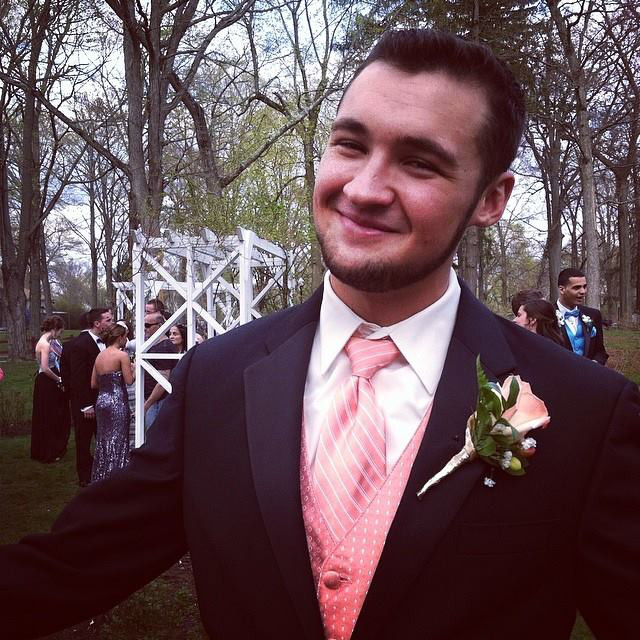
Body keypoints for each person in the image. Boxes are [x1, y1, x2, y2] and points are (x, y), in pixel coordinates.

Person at [1, 29, 639, 640]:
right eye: (351, 145)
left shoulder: (587, 412)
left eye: (420, 163)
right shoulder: (216, 378)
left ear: (490, 200)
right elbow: (71, 567)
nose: (364, 190)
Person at [59, 307, 114, 486]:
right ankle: (85, 477)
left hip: (103, 399)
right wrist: (86, 405)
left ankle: (103, 472)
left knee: (103, 438)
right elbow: (78, 378)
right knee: (84, 439)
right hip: (86, 403)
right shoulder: (79, 345)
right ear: (97, 324)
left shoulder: (107, 342)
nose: (112, 322)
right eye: (108, 320)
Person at [90, 324, 134, 482]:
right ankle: (117, 476)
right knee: (119, 439)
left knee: (103, 439)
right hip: (117, 401)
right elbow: (129, 381)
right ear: (120, 338)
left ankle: (101, 476)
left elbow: (93, 384)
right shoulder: (122, 355)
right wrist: (135, 369)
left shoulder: (99, 356)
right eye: (125, 337)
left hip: (102, 400)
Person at [30, 315, 70, 463]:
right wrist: (59, 379)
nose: (60, 334)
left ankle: (52, 448)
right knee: (49, 416)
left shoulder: (49, 342)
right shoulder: (45, 345)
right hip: (46, 381)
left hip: (48, 380)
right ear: (54, 329)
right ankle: (48, 451)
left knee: (53, 415)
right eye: (60, 331)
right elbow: (45, 368)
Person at [556, 267, 609, 364]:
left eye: (584, 287)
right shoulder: (547, 315)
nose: (583, 291)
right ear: (562, 289)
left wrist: (594, 363)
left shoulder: (593, 315)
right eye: (576, 287)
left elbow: (600, 352)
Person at [142, 312, 176, 430]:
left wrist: (147, 404)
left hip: (158, 401)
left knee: (154, 434)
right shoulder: (151, 345)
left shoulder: (164, 347)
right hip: (151, 399)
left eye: (147, 325)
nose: (144, 329)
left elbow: (163, 379)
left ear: (160, 326)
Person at [143, 324, 186, 417]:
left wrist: (147, 405)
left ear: (183, 336)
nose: (171, 337)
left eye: (175, 334)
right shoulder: (169, 351)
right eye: (170, 334)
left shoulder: (185, 354)